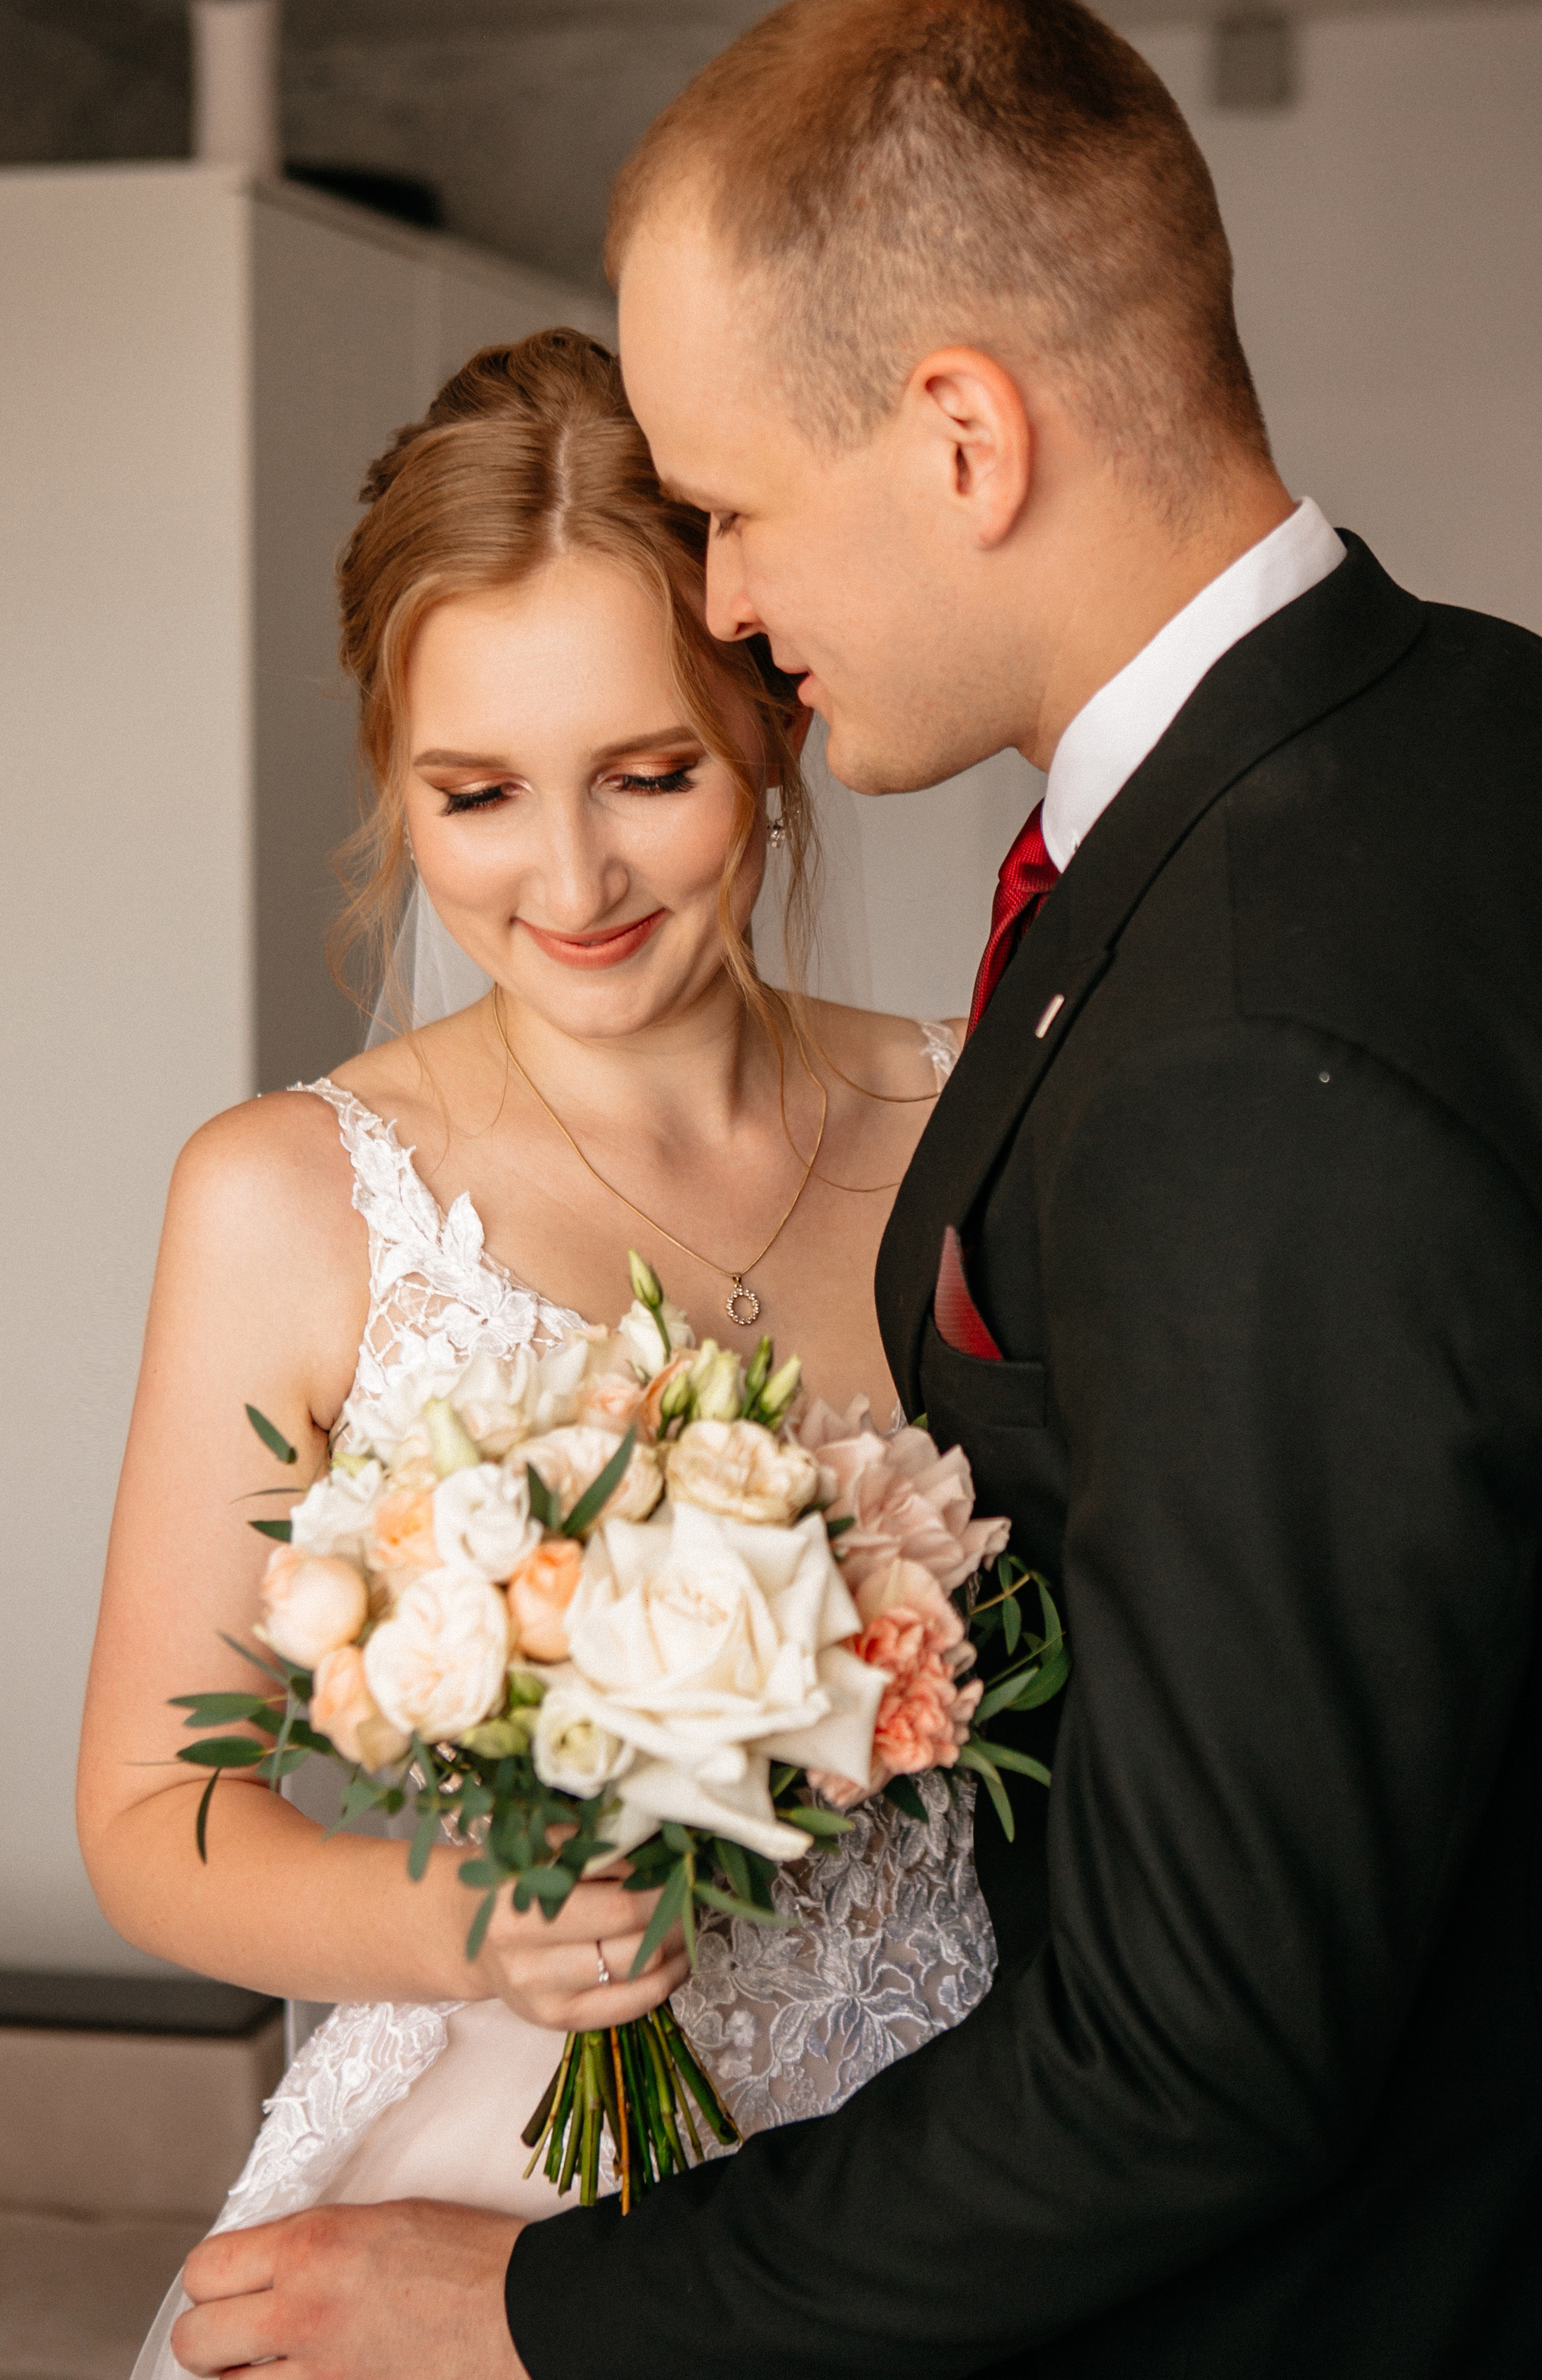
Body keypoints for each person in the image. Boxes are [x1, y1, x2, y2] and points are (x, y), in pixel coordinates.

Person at [171, 0, 1542, 2375]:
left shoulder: (1238, 1041)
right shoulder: (1508, 723)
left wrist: (542, 2309)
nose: (726, 596)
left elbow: (1204, 2049)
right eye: (478, 787)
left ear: (962, 436)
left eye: (730, 505)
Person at [79, 329, 991, 2380]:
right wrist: (471, 1925)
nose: (569, 882)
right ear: (391, 772)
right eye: (476, 794)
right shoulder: (287, 1199)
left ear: (771, 718)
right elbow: (148, 1809)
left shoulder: (980, 1115)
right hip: (488, 2190)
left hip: (939, 2184)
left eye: (650, 776)